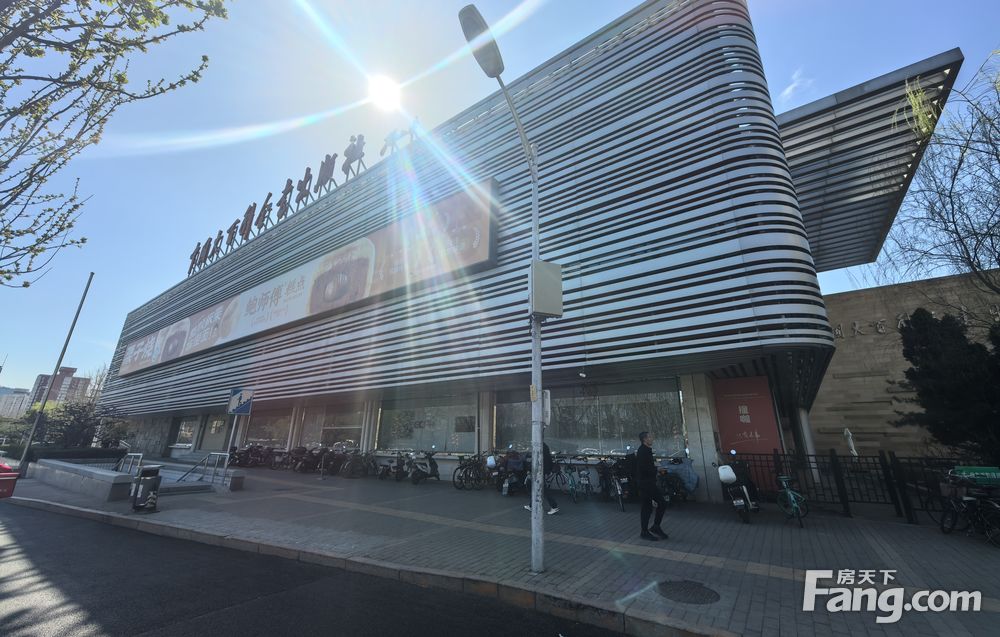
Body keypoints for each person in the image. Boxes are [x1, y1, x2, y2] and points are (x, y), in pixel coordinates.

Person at [637, 431, 668, 541]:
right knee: (647, 507)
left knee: (661, 503)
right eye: (650, 437)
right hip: (645, 483)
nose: (652, 438)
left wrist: (655, 468)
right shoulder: (643, 451)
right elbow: (644, 468)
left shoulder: (647, 450)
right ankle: (644, 531)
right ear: (644, 439)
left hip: (649, 482)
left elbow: (648, 466)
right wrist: (657, 469)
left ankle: (655, 527)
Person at [524, 441, 559, 515]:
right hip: (542, 470)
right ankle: (531, 505)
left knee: (542, 489)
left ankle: (554, 506)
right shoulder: (544, 446)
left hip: (539, 470)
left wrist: (530, 469)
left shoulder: (539, 447)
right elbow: (548, 459)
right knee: (537, 488)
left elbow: (536, 459)